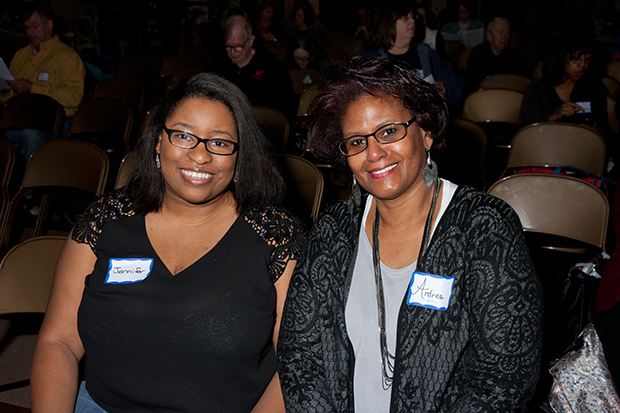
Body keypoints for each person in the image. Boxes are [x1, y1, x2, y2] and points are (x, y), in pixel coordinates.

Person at [277, 57, 543, 412]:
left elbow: (504, 378)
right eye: (356, 141)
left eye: (389, 132)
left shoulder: (485, 228)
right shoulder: (332, 230)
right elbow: (299, 355)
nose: (373, 153)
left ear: (426, 130)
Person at [30, 73, 305, 412]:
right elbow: (59, 342)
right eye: (184, 136)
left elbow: (297, 367)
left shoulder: (276, 237)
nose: (200, 156)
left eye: (219, 142)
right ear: (159, 141)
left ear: (239, 154)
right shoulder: (106, 220)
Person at [0, 3, 85, 162]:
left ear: (49, 24)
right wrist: (6, 92)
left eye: (34, 26)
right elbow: (9, 98)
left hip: (57, 121)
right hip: (22, 118)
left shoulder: (67, 57)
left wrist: (32, 88)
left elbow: (74, 98)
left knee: (31, 134)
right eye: (26, 28)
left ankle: (34, 186)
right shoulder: (20, 55)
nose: (30, 32)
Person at [363, 2, 463, 108]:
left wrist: (445, 91)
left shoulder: (426, 53)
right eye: (405, 18)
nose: (412, 21)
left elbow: (457, 88)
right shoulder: (371, 60)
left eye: (412, 16)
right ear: (389, 23)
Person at [209, 15, 296, 119]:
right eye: (228, 46)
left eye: (238, 46)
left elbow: (286, 105)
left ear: (250, 41)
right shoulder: (218, 65)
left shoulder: (272, 65)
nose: (232, 52)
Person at [519, 39, 609, 133]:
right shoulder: (538, 90)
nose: (583, 65)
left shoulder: (594, 89)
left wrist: (593, 132)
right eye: (575, 60)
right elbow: (525, 131)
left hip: (583, 145)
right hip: (547, 144)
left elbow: (605, 129)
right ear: (560, 60)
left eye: (587, 59)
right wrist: (553, 118)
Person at [463, 17, 530, 95]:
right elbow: (471, 87)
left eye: (507, 32)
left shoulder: (516, 57)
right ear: (490, 36)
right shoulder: (477, 56)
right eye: (500, 32)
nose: (505, 37)